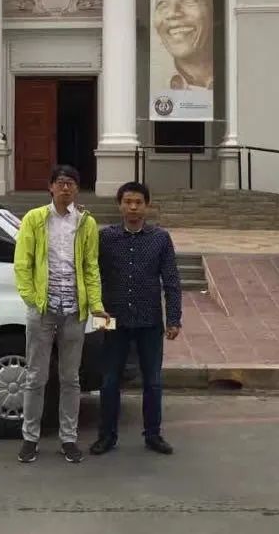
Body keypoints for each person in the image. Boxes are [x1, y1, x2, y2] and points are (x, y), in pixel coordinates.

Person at [13, 164, 108, 464]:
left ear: (77, 189)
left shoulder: (86, 223)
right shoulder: (35, 219)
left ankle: (69, 438)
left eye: (71, 183)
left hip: (74, 310)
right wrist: (31, 299)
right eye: (61, 182)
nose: (66, 188)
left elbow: (91, 267)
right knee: (35, 376)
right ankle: (30, 438)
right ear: (51, 187)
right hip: (43, 309)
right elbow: (22, 263)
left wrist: (96, 305)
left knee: (71, 378)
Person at [90, 181, 182, 456]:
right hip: (110, 318)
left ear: (147, 206)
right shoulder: (105, 238)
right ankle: (106, 436)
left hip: (150, 320)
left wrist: (174, 319)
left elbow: (172, 281)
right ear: (119, 205)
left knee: (152, 380)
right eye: (128, 202)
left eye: (138, 202)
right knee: (109, 381)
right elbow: (93, 275)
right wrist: (94, 309)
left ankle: (153, 434)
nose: (133, 207)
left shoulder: (160, 239)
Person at [153, 0, 214, 92]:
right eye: (163, 3)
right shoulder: (149, 87)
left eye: (188, 0)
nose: (172, 13)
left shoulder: (240, 75)